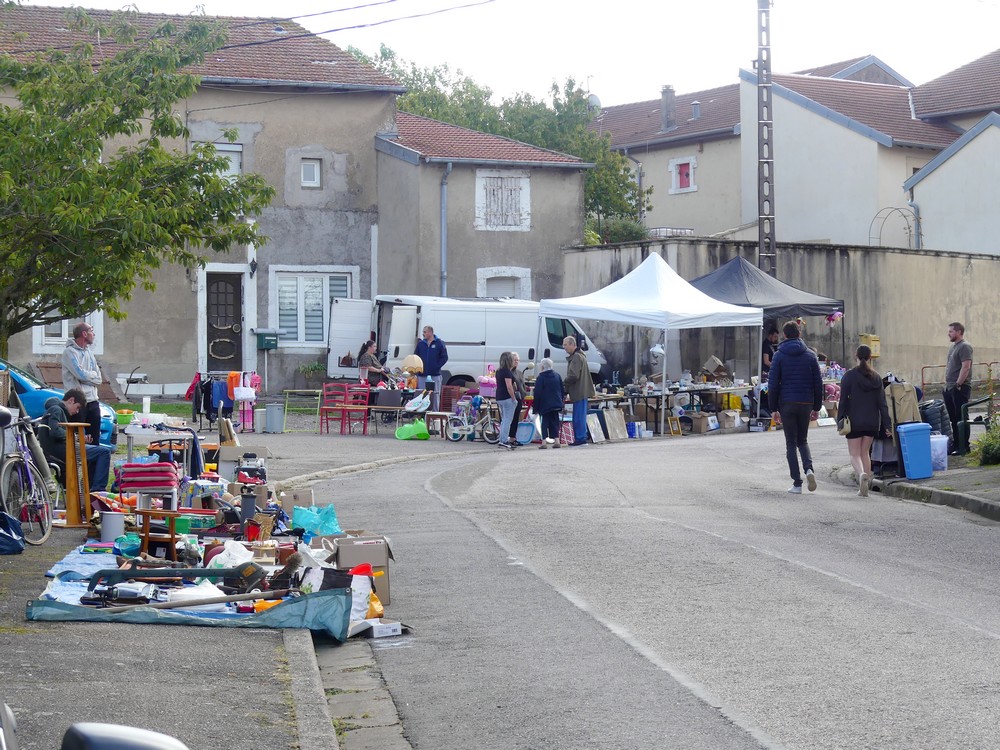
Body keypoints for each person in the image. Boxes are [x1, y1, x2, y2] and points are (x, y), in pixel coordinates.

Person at [767, 320, 823, 494]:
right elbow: (818, 383)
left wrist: (773, 408)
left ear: (784, 335)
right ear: (799, 334)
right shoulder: (810, 355)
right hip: (806, 403)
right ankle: (809, 469)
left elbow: (773, 384)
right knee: (803, 440)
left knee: (791, 443)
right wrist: (817, 407)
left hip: (787, 403)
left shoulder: (779, 355)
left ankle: (797, 483)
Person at [837, 345, 892, 497]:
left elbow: (843, 401)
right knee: (865, 453)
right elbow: (882, 403)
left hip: (854, 421)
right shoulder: (877, 378)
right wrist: (887, 425)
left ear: (856, 356)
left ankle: (861, 474)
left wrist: (839, 419)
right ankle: (865, 486)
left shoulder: (849, 376)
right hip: (872, 422)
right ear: (870, 357)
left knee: (854, 454)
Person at [43, 389, 112, 493]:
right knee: (104, 452)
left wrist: (79, 439)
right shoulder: (56, 410)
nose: (77, 411)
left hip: (61, 448)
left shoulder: (56, 410)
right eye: (78, 407)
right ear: (71, 400)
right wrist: (76, 437)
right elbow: (55, 431)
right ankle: (98, 490)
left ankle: (89, 487)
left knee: (97, 451)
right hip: (62, 450)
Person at [61, 321, 103, 446]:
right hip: (78, 402)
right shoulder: (69, 352)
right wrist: (91, 376)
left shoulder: (89, 352)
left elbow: (99, 378)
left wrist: (88, 377)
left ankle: (93, 459)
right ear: (84, 334)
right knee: (77, 441)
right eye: (91, 331)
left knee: (94, 440)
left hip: (93, 400)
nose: (93, 334)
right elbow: (80, 374)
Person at [943, 321, 973, 453]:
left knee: (961, 417)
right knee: (953, 418)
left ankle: (964, 446)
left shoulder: (965, 346)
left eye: (951, 331)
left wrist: (958, 384)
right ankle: (957, 445)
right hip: (949, 387)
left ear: (959, 332)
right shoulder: (953, 347)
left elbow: (966, 367)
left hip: (960, 388)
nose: (948, 334)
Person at [563, 335, 596, 446]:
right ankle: (581, 437)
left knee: (578, 417)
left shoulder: (576, 357)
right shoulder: (579, 356)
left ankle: (581, 438)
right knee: (579, 415)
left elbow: (573, 375)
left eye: (565, 345)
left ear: (572, 344)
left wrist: (564, 383)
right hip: (581, 390)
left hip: (579, 391)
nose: (564, 347)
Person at [532, 358, 564, 449]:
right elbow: (562, 390)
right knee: (555, 422)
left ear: (542, 367)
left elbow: (537, 393)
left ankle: (544, 442)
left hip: (544, 405)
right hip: (556, 403)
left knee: (544, 423)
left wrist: (535, 407)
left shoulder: (541, 377)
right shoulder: (557, 375)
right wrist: (561, 401)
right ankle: (557, 441)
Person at [415, 325, 448, 411]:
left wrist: (436, 366)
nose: (423, 334)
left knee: (435, 394)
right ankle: (421, 412)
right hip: (422, 374)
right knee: (422, 394)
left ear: (430, 332)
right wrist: (418, 368)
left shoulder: (439, 343)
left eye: (425, 332)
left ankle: (435, 413)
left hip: (435, 374)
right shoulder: (421, 344)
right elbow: (416, 357)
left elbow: (444, 357)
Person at [495, 352, 519, 450]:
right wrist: (514, 398)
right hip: (507, 397)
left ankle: (501, 439)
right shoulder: (507, 372)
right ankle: (504, 440)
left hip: (499, 397)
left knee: (504, 420)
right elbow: (509, 386)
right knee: (507, 420)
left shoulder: (498, 371)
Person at [507, 352, 526, 446]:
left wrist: (524, 394)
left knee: (516, 418)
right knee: (510, 418)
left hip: (519, 397)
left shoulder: (519, 372)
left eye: (517, 360)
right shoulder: (508, 372)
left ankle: (513, 437)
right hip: (511, 398)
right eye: (514, 360)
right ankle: (508, 437)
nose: (516, 362)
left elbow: (522, 384)